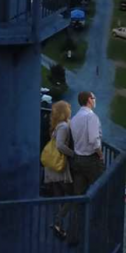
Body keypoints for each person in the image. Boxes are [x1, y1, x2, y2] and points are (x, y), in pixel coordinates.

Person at [67, 90, 105, 245]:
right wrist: (101, 154)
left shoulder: (75, 118)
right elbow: (94, 140)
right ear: (89, 100)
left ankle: (73, 237)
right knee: (103, 192)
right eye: (94, 98)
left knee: (78, 199)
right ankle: (98, 235)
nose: (95, 100)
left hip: (77, 160)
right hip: (91, 161)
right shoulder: (91, 117)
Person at [43, 100, 75, 240]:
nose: (70, 110)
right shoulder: (63, 127)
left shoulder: (58, 125)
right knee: (72, 194)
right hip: (59, 166)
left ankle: (58, 224)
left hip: (53, 165)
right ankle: (58, 222)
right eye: (68, 109)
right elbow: (61, 146)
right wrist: (73, 154)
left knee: (60, 196)